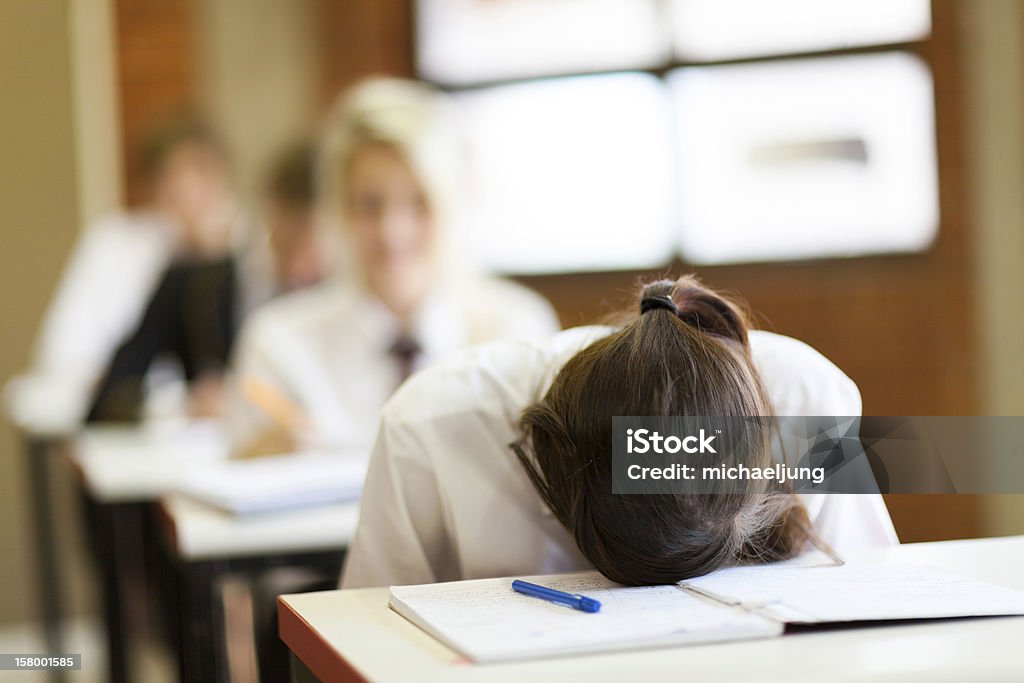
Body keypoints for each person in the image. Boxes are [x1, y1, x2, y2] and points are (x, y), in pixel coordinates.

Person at [341, 275, 898, 588]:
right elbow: (360, 641)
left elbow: (866, 601)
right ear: (551, 463)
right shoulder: (429, 427)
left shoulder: (807, 404)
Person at [228, 78, 559, 457]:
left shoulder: (520, 333)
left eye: (419, 202)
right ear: (338, 210)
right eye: (368, 204)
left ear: (454, 205)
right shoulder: (278, 344)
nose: (392, 232)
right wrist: (253, 461)